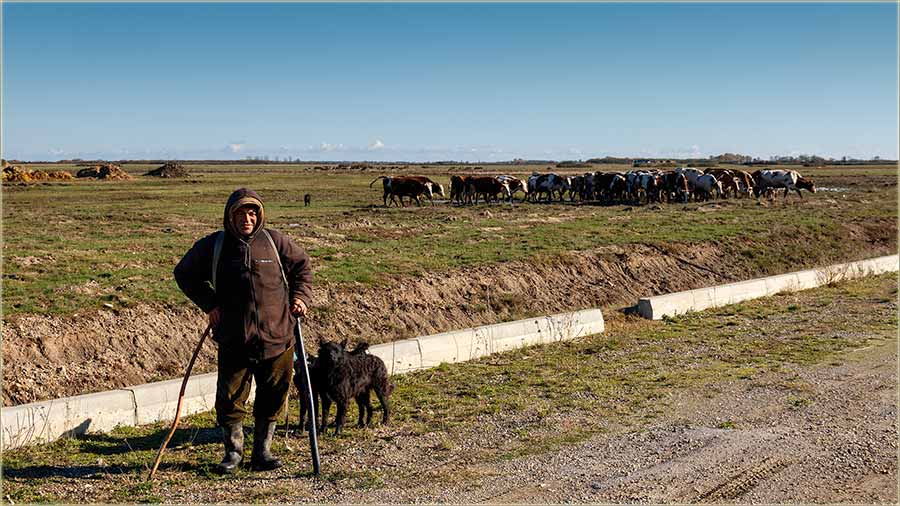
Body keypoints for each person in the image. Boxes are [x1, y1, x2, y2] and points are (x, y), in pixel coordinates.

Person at [174, 188, 312, 473]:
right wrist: (209, 303)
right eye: (241, 213)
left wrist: (300, 298)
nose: (247, 218)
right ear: (230, 216)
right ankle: (233, 454)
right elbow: (183, 273)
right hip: (234, 338)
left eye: (252, 213)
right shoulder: (214, 246)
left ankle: (262, 452)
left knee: (274, 394)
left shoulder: (275, 242)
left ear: (259, 215)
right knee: (229, 398)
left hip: (278, 336)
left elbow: (302, 267)